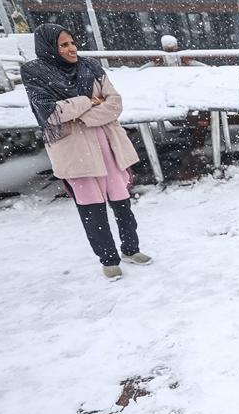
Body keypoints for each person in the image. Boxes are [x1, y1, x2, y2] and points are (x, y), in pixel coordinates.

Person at [21, 23, 151, 281]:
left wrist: (80, 115)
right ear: (49, 48)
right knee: (92, 210)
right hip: (74, 152)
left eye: (72, 42)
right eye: (63, 45)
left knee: (122, 204)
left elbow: (114, 104)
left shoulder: (90, 66)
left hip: (109, 146)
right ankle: (108, 259)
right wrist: (88, 101)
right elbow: (51, 113)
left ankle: (131, 248)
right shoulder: (35, 72)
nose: (71, 49)